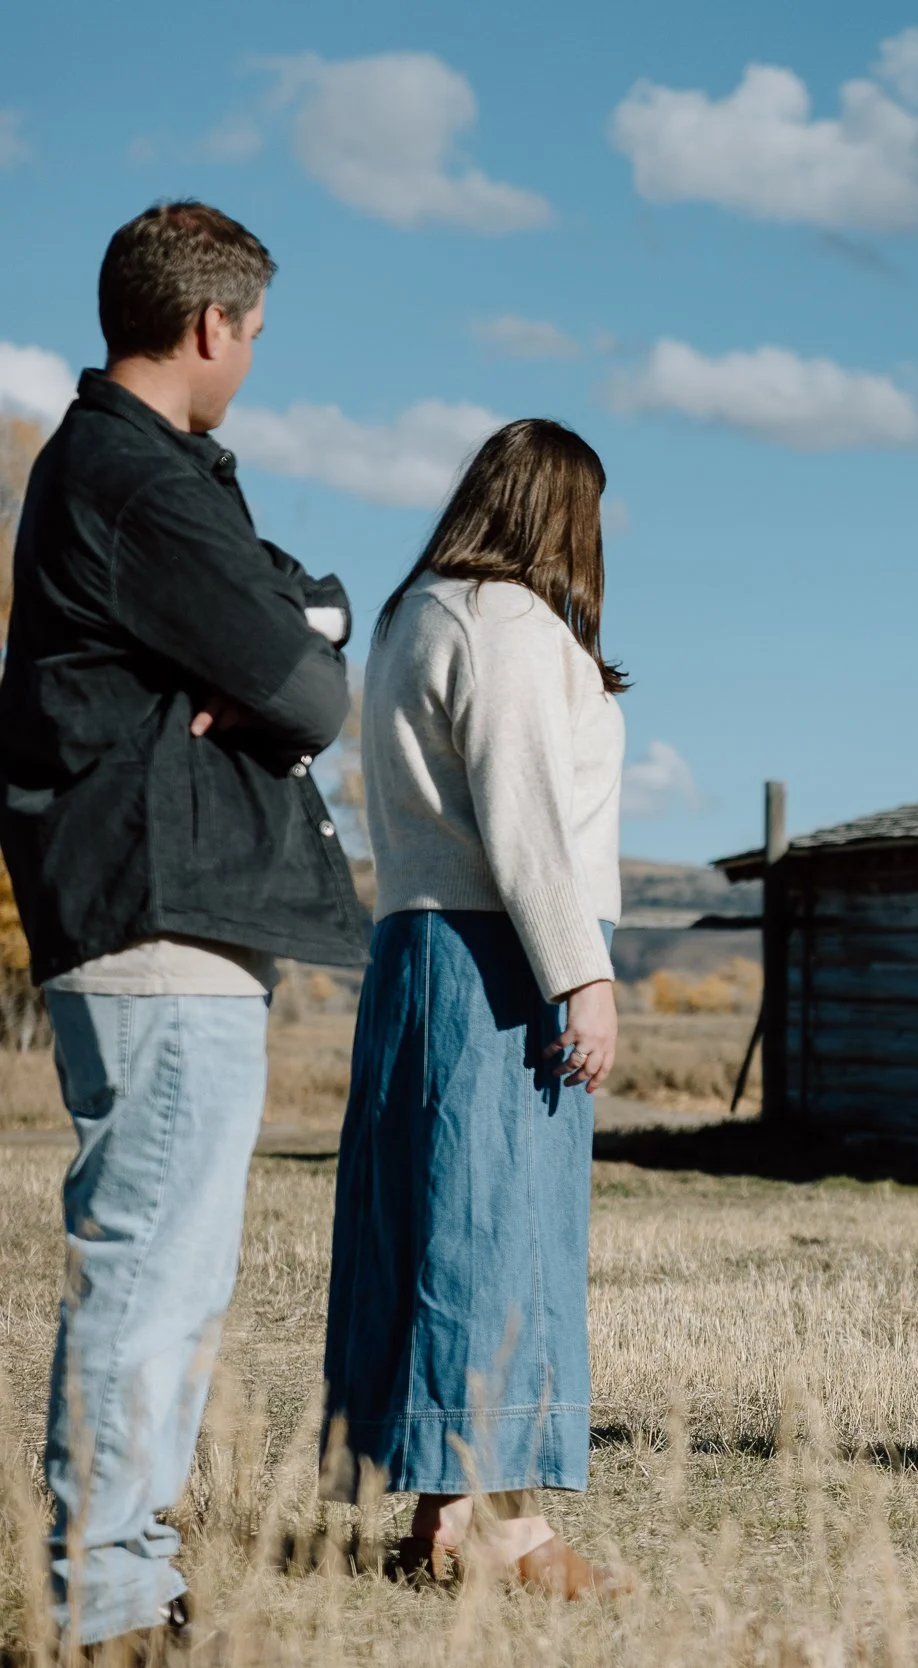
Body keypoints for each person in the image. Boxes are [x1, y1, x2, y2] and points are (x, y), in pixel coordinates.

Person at [0, 201, 365, 1659]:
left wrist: (291, 630)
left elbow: (304, 616)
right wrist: (282, 653)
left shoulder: (128, 476)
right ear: (212, 325)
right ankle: (102, 1601)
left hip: (157, 909)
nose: (254, 360)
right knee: (154, 1263)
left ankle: (125, 1577)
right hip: (158, 914)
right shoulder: (140, 484)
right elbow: (314, 686)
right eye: (257, 335)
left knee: (167, 1263)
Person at [320, 419, 632, 1599]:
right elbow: (523, 817)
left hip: (419, 943)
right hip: (501, 947)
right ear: (561, 512)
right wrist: (580, 974)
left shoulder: (415, 615)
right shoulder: (499, 620)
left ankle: (445, 1513)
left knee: (441, 1227)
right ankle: (504, 1529)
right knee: (496, 1237)